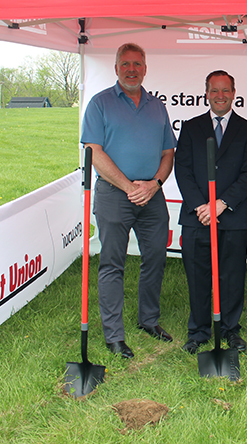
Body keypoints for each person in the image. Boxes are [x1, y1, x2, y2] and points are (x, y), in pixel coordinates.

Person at [81, 42, 177, 359]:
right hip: (113, 194)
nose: (132, 69)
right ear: (116, 68)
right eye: (126, 64)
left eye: (137, 64)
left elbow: (168, 153)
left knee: (155, 259)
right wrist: (128, 187)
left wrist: (155, 183)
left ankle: (148, 320)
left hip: (152, 196)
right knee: (112, 264)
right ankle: (114, 335)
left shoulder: (157, 106)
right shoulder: (100, 103)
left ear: (145, 68)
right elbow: (93, 151)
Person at [175, 70, 247, 355]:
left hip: (232, 216)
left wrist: (222, 203)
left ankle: (230, 329)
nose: (220, 96)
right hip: (197, 216)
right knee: (198, 276)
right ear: (206, 93)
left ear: (234, 93)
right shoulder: (190, 127)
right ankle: (198, 330)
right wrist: (201, 205)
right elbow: (183, 170)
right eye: (215, 90)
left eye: (226, 90)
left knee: (232, 276)